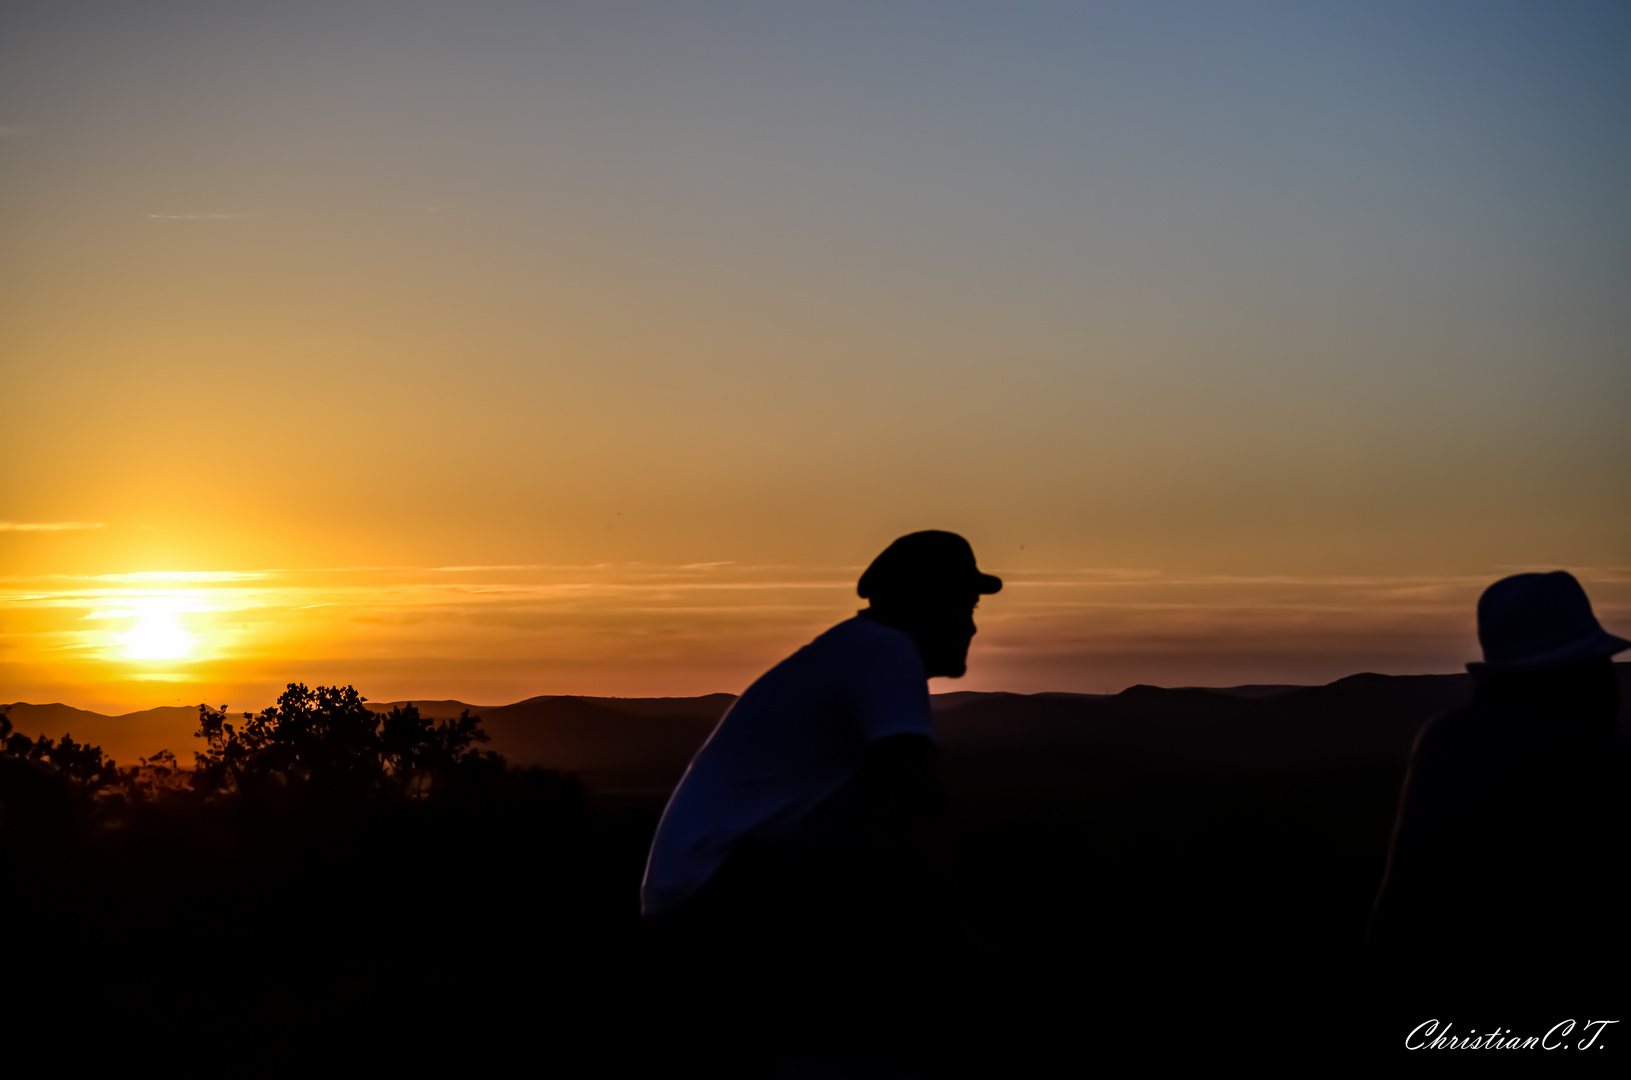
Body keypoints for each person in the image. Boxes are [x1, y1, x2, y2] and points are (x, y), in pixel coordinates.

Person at [640, 530, 1001, 1074]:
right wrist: (967, 928)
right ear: (925, 604)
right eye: (964, 604)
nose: (971, 624)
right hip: (721, 894)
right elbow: (915, 800)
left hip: (709, 891)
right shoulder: (885, 650)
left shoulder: (857, 648)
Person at [1366, 571, 1629, 1015]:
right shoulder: (1584, 763)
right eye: (1598, 666)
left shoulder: (1446, 744)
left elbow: (1399, 917)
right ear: (1575, 679)